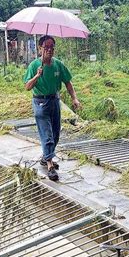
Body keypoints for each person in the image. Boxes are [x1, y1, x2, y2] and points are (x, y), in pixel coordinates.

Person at [23, 35, 81, 181]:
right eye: (46, 47)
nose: (49, 50)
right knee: (47, 134)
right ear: (40, 48)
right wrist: (37, 76)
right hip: (40, 103)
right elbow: (27, 87)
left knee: (55, 134)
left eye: (51, 47)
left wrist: (74, 98)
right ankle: (50, 166)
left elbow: (68, 82)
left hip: (55, 101)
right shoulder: (34, 66)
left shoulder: (58, 65)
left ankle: (45, 157)